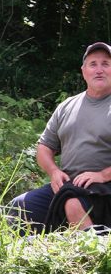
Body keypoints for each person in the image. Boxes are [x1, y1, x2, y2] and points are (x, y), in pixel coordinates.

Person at [11, 42, 111, 233]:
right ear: (83, 71)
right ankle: (35, 258)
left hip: (105, 188)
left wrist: (102, 175)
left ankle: (94, 255)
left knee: (72, 203)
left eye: (105, 64)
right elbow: (44, 148)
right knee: (19, 207)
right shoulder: (67, 106)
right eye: (93, 64)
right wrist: (54, 171)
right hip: (69, 186)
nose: (99, 70)